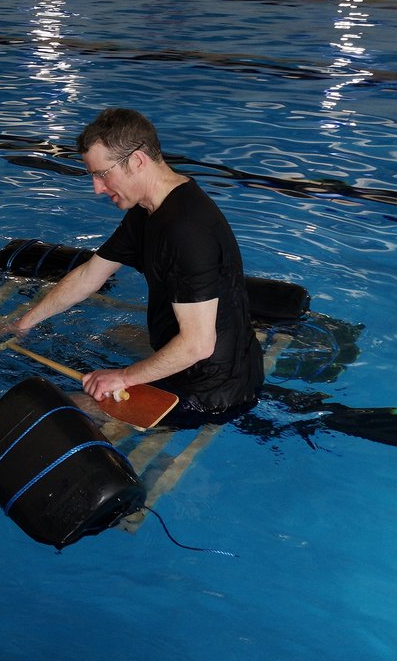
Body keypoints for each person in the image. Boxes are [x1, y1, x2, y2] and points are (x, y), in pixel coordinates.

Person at [14, 108, 263, 426]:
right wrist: (24, 323)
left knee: (50, 413)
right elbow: (90, 275)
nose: (97, 188)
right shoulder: (148, 210)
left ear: (137, 161)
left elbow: (198, 345)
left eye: (102, 174)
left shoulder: (186, 230)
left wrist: (123, 377)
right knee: (114, 334)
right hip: (205, 361)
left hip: (210, 391)